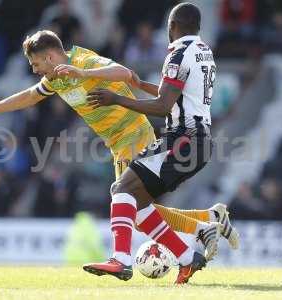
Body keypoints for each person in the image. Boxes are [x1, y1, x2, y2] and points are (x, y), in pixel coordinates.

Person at [0, 28, 237, 265]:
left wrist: (79, 71)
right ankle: (207, 223)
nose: (34, 69)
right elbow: (29, 96)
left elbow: (124, 72)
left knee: (129, 204)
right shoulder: (56, 78)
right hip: (117, 142)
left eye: (36, 63)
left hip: (133, 133)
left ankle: (174, 246)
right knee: (137, 212)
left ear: (50, 57)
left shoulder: (83, 61)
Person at [83, 3, 233, 284]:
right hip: (199, 142)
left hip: (182, 140)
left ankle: (121, 260)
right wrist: (140, 86)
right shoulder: (204, 51)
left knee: (121, 188)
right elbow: (176, 95)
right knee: (137, 202)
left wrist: (117, 99)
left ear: (172, 26)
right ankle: (188, 258)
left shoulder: (178, 53)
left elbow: (164, 106)